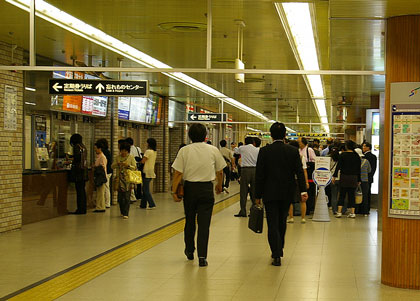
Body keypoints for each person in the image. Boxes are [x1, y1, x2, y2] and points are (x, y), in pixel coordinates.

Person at [171, 123, 225, 267]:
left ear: (189, 135)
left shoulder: (184, 150)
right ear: (205, 135)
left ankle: (189, 250)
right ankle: (202, 256)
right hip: (207, 189)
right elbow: (220, 171)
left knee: (189, 221)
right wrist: (219, 185)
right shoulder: (213, 150)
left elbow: (178, 173)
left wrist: (174, 190)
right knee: (204, 224)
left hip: (190, 189)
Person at [255, 123, 308, 266]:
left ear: (271, 135)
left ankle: (276, 253)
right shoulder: (292, 151)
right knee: (282, 221)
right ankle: (280, 247)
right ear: (285, 135)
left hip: (269, 192)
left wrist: (257, 195)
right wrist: (303, 190)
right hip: (287, 192)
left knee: (272, 223)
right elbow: (299, 172)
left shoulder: (264, 151)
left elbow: (259, 175)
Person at [333, 140, 361, 218]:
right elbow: (359, 169)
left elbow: (338, 167)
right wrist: (359, 180)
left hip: (344, 177)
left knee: (342, 194)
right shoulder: (356, 156)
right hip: (353, 178)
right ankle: (352, 213)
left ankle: (339, 212)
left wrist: (334, 176)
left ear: (347, 146)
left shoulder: (343, 155)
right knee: (352, 195)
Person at [234, 136, 259, 217]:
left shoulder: (242, 148)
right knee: (254, 190)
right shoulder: (257, 149)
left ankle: (243, 211)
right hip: (255, 170)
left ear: (245, 142)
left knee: (243, 191)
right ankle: (254, 211)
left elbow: (236, 151)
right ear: (253, 142)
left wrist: (236, 146)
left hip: (245, 170)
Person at [112, 142, 137, 219]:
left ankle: (126, 213)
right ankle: (122, 211)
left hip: (128, 180)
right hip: (119, 179)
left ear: (128, 151)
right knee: (120, 197)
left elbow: (135, 167)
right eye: (122, 150)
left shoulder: (131, 157)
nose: (123, 152)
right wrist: (118, 164)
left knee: (127, 197)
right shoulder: (117, 158)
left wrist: (128, 166)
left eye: (125, 151)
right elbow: (112, 166)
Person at [287, 140, 310, 224]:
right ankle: (303, 218)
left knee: (290, 200)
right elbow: (304, 171)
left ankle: (291, 217)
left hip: (290, 180)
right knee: (303, 199)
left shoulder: (287, 157)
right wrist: (306, 182)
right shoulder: (302, 157)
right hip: (300, 180)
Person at [69, 134, 88, 215]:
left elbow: (76, 158)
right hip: (84, 171)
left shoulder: (76, 147)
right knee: (82, 191)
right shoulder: (83, 147)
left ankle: (80, 209)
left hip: (78, 172)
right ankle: (83, 208)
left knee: (79, 191)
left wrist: (70, 158)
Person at [298, 137, 316, 215]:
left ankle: (309, 208)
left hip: (309, 173)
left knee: (310, 191)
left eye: (299, 142)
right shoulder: (299, 150)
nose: (298, 143)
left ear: (303, 142)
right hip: (301, 172)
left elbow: (315, 160)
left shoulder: (309, 150)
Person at [140, 138, 157, 209]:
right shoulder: (154, 152)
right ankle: (143, 205)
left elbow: (143, 161)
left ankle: (152, 204)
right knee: (144, 188)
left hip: (146, 171)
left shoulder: (148, 151)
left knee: (146, 189)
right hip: (151, 171)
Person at [355, 148, 372, 216]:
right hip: (365, 180)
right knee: (365, 196)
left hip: (356, 181)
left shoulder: (355, 162)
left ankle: (356, 210)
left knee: (356, 195)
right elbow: (369, 170)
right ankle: (365, 211)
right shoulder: (366, 161)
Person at [97, 138, 112, 208]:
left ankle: (107, 202)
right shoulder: (107, 152)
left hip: (106, 172)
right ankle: (106, 202)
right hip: (109, 171)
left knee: (106, 187)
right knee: (106, 187)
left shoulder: (104, 153)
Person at [362, 142, 377, 215]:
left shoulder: (365, 157)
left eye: (364, 147)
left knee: (364, 193)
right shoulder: (374, 156)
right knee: (368, 193)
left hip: (364, 178)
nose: (363, 148)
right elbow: (374, 168)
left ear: (368, 148)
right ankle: (367, 209)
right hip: (370, 177)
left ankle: (364, 209)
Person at [126, 137, 142, 203]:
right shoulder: (137, 148)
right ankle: (138, 195)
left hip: (131, 167)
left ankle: (133, 197)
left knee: (131, 183)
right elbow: (140, 157)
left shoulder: (129, 150)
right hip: (138, 167)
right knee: (137, 183)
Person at [93, 140, 107, 213]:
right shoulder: (98, 156)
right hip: (98, 176)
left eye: (96, 148)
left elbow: (102, 167)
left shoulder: (102, 157)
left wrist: (95, 167)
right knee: (99, 192)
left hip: (101, 176)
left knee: (101, 192)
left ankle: (100, 207)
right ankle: (99, 206)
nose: (95, 150)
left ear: (100, 148)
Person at [327, 146, 340, 214]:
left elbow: (328, 169)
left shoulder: (329, 159)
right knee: (341, 195)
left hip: (332, 178)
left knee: (333, 195)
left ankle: (334, 210)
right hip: (340, 178)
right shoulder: (340, 159)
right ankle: (341, 209)